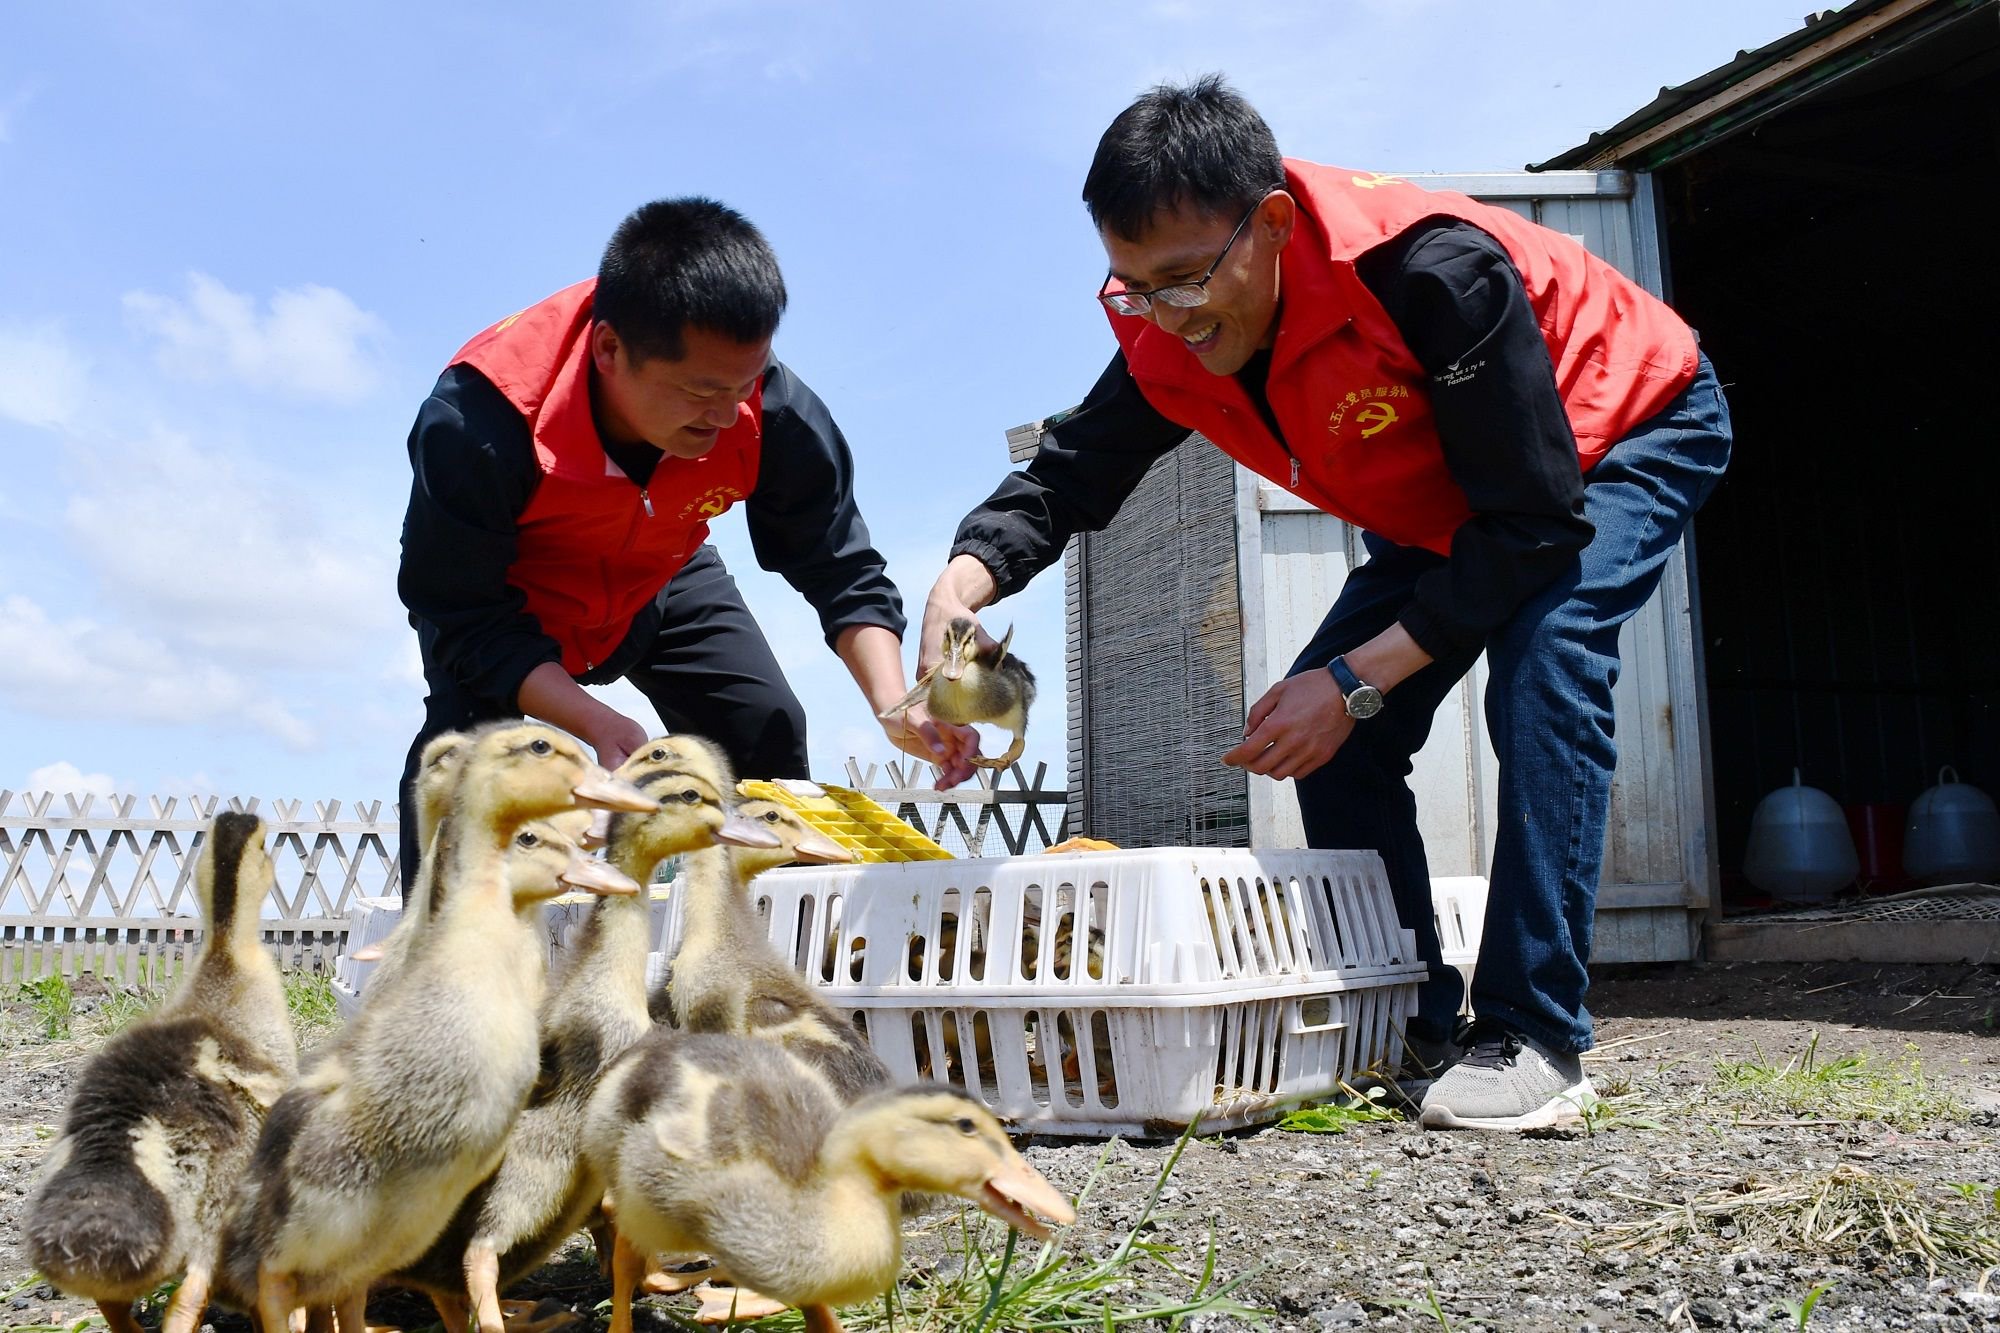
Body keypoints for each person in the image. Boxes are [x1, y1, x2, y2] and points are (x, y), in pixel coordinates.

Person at [919, 77, 1732, 1131]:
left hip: (1616, 430)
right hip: (1450, 502)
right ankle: (1413, 1021)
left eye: (1183, 279)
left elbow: (1532, 528)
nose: (1166, 314)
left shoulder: (1429, 274)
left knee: (1545, 648)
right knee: (1329, 739)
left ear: (1271, 223)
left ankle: (1534, 1034)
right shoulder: (1164, 329)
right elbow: (1064, 477)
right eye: (1131, 288)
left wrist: (1350, 678)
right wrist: (956, 587)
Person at [396, 197, 975, 881]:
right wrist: (597, 721)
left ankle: (764, 948)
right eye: (702, 392)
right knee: (462, 765)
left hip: (659, 567)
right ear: (609, 348)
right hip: (504, 609)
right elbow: (462, 612)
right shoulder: (480, 420)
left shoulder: (771, 408)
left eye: (746, 382)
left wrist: (892, 700)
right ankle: (437, 966)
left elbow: (838, 562)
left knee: (765, 725)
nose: (730, 416)